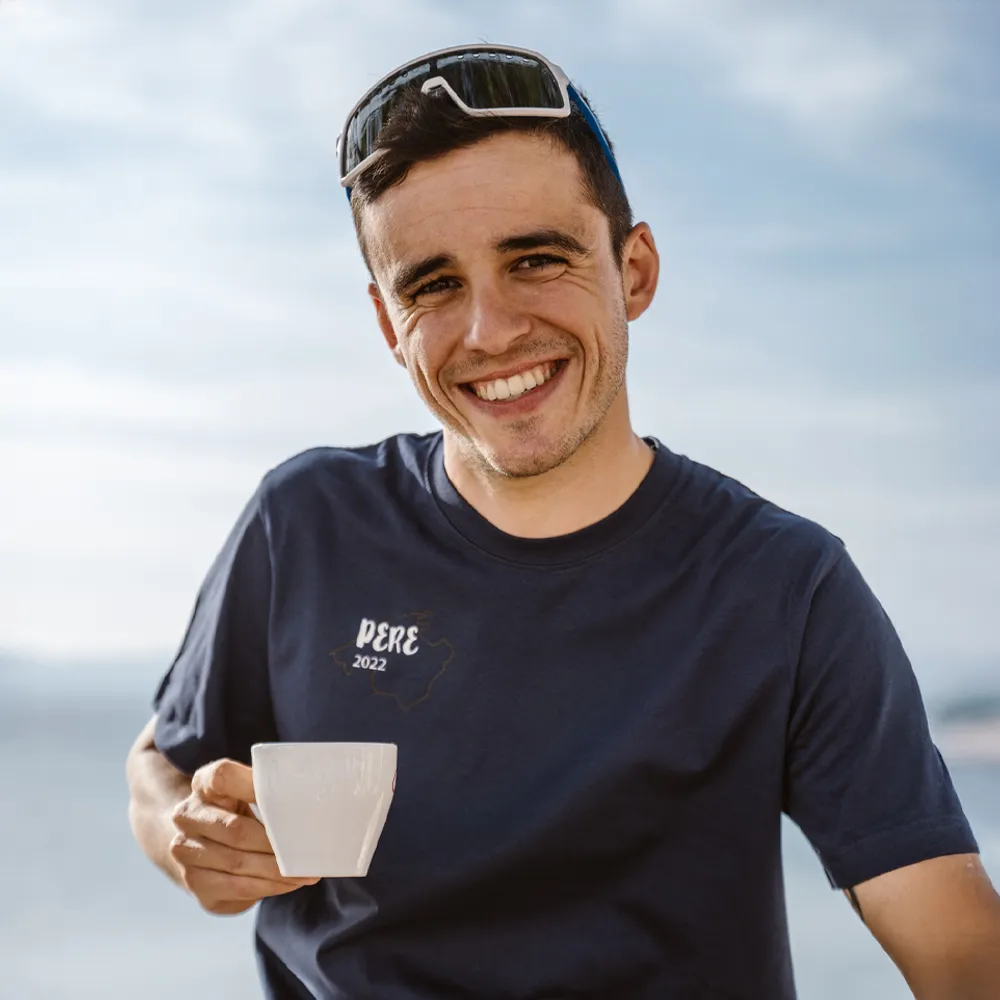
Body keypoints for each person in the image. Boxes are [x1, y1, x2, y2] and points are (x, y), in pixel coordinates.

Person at [126, 44, 1000, 999]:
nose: (490, 331)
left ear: (635, 270)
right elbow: (163, 766)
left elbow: (957, 948)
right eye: (434, 286)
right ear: (387, 326)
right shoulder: (304, 522)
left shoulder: (784, 587)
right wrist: (187, 834)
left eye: (535, 260)